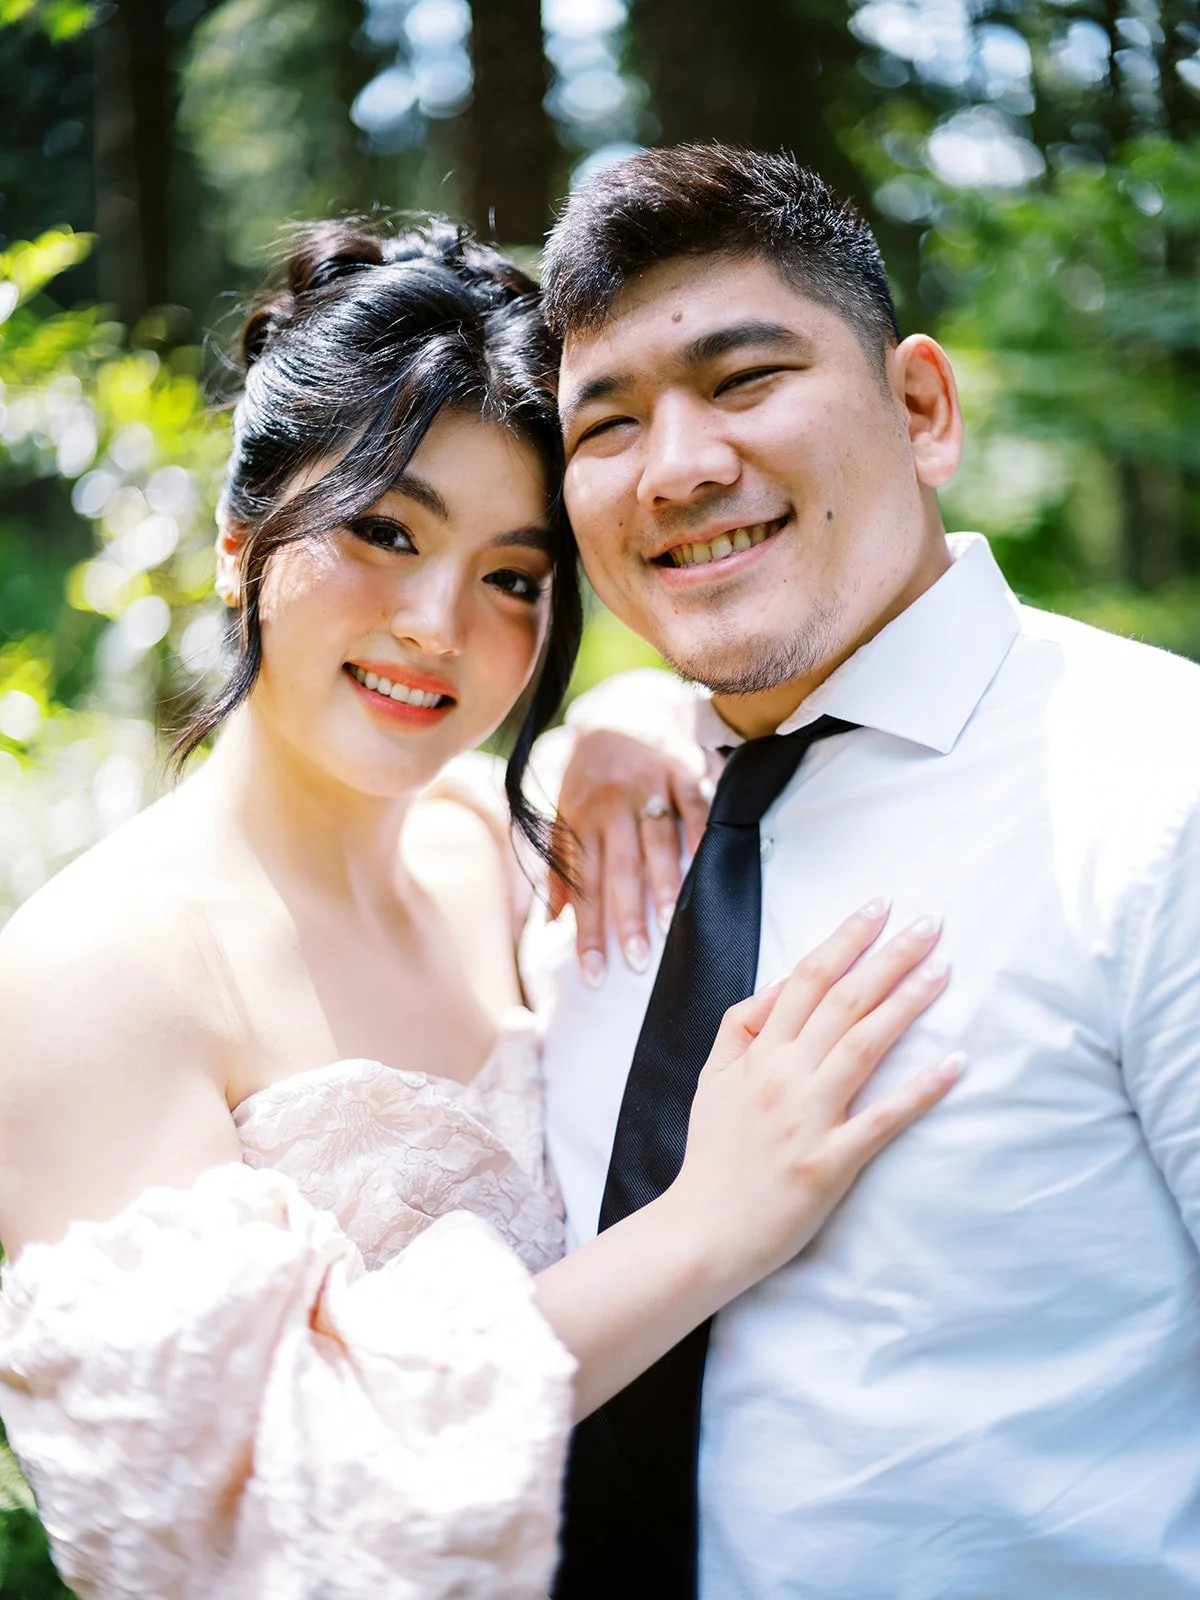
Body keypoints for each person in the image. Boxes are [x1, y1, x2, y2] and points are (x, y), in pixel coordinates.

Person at [0, 218, 959, 1600]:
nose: (442, 628)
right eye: (385, 532)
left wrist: (638, 713)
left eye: (513, 577)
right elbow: (248, 1517)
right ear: (236, 543)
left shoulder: (489, 855)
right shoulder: (88, 979)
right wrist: (708, 1225)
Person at [520, 144, 1200, 1599]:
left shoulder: (1163, 794)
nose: (681, 466)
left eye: (746, 379)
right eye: (608, 424)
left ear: (920, 407)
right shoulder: (595, 839)